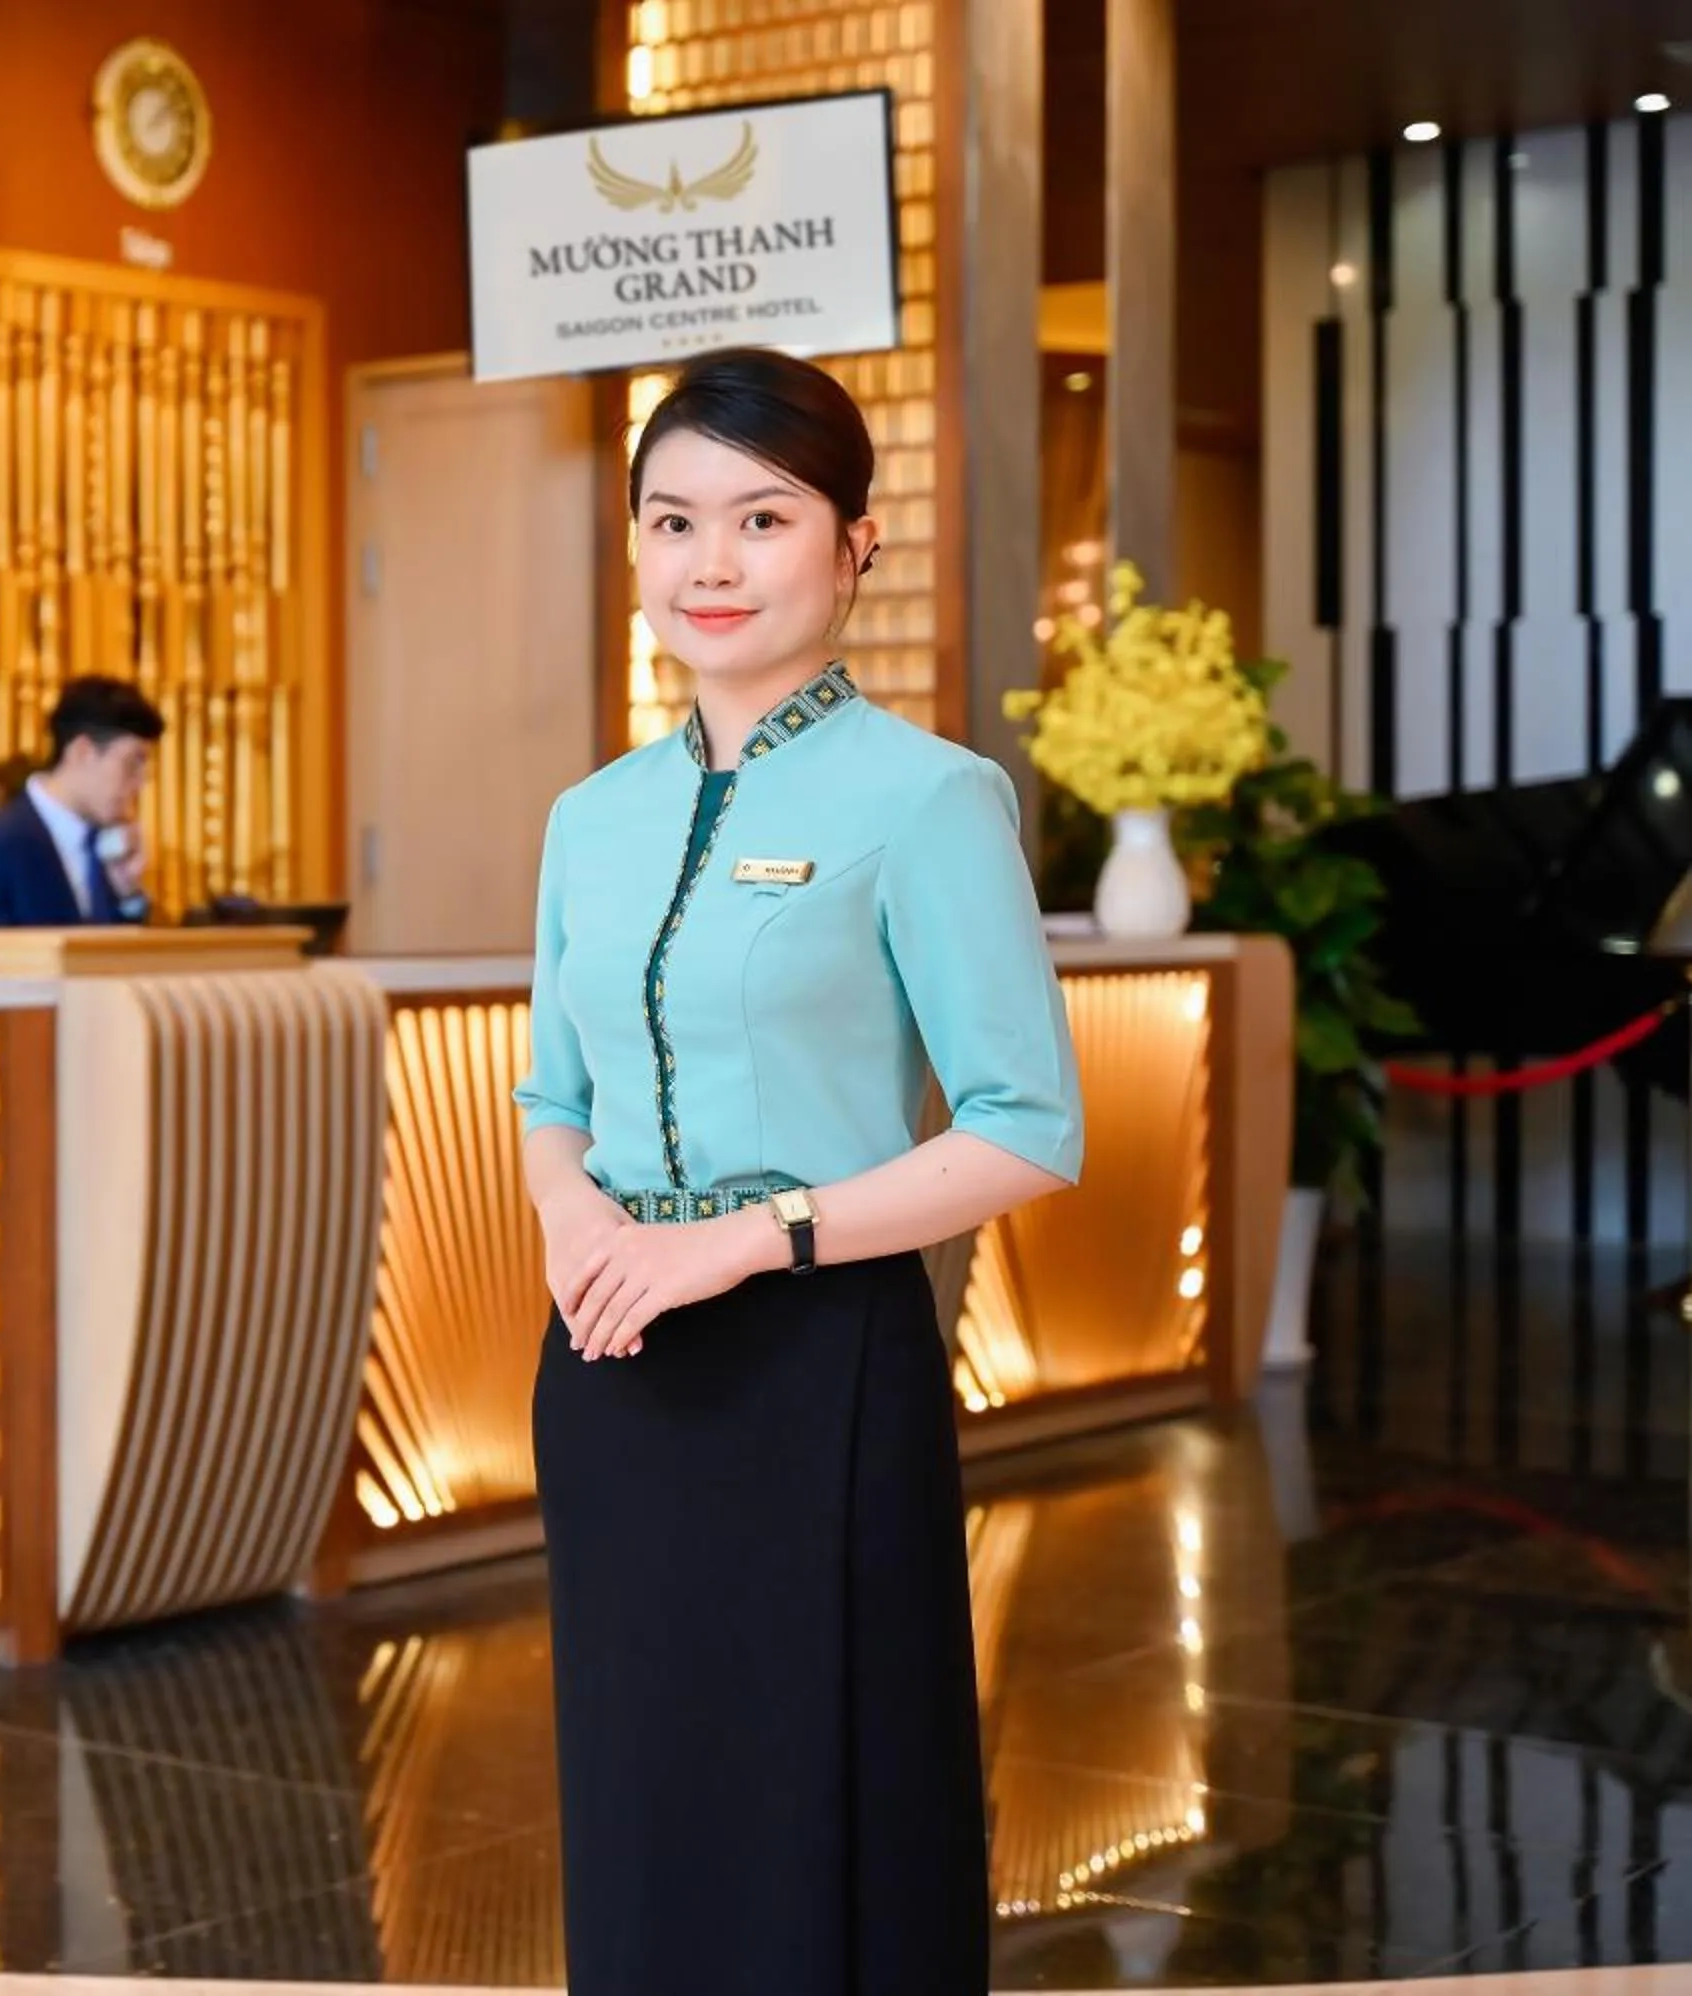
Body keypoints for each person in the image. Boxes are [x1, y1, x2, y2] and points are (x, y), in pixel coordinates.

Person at [514, 348, 1084, 1993]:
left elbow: (1025, 1129)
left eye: (762, 518)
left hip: (816, 1360)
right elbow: (552, 1088)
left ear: (855, 547)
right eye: (673, 520)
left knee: (823, 1793)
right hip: (615, 1360)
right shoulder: (591, 819)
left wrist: (753, 1240)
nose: (710, 562)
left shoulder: (928, 801)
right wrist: (575, 1221)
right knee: (641, 1785)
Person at [0, 675, 165, 928]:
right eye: (132, 763)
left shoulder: (108, 842)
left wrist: (129, 894)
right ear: (83, 752)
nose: (140, 782)